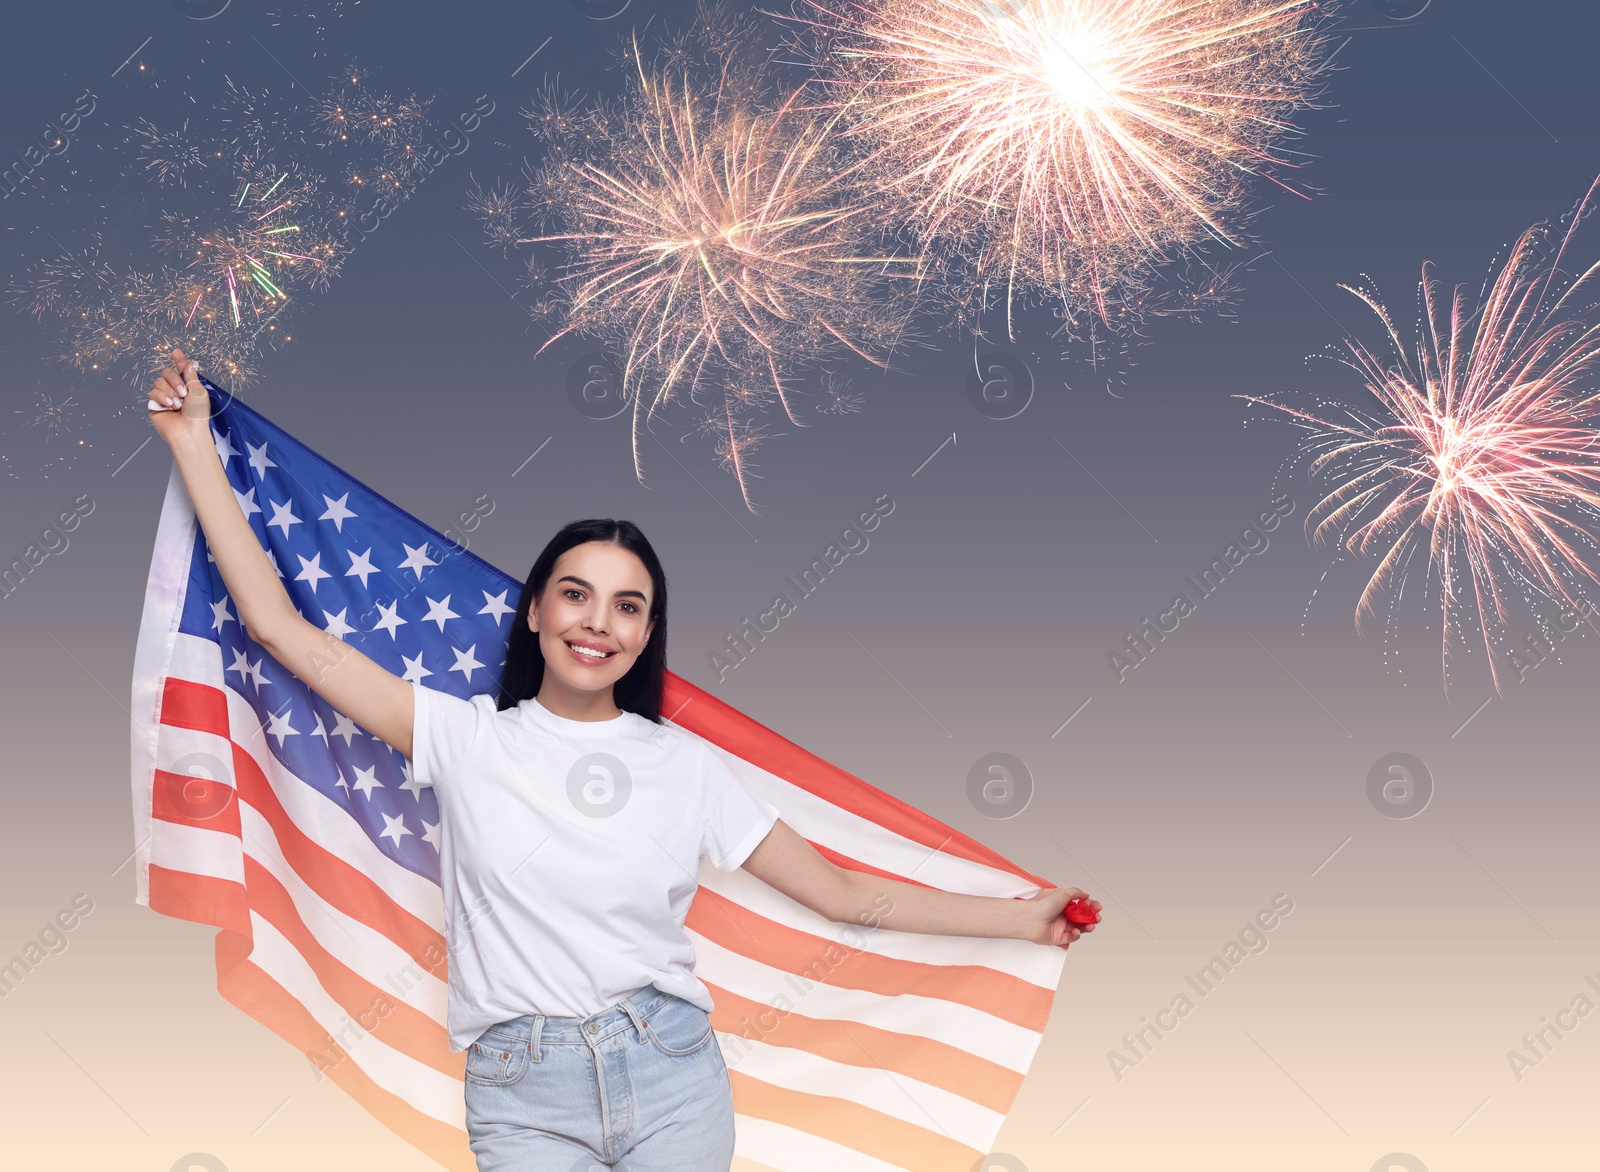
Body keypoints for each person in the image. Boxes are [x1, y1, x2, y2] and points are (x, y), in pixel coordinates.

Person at [147, 348, 1101, 1171]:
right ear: (536, 613)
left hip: (673, 1070)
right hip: (521, 1090)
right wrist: (195, 445)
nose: (598, 622)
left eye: (627, 605)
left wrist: (1020, 922)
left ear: (647, 634)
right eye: (575, 594)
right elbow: (280, 629)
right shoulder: (466, 737)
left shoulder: (685, 769)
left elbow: (844, 897)